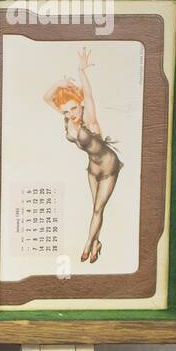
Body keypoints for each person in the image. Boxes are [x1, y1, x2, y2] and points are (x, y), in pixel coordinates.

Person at [43, 47, 122, 264]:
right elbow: (47, 98)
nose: (71, 113)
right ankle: (97, 243)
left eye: (74, 109)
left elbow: (87, 93)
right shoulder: (68, 118)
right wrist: (59, 84)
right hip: (93, 169)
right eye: (67, 111)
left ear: (81, 105)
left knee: (98, 209)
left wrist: (81, 70)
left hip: (108, 168)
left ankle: (88, 244)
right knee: (95, 209)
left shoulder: (90, 119)